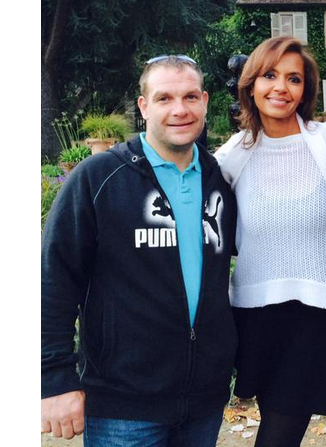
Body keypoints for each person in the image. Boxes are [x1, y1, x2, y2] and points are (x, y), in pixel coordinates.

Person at [41, 55, 238, 447]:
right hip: (123, 405)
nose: (179, 110)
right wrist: (53, 379)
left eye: (189, 97)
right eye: (164, 98)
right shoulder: (98, 179)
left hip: (204, 401)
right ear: (144, 106)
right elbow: (54, 280)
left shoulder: (220, 180)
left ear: (205, 101)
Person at [215, 37, 326, 447]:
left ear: (306, 90)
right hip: (255, 314)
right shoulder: (235, 153)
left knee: (279, 436)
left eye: (294, 79)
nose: (281, 88)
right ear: (251, 84)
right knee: (274, 425)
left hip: (315, 314)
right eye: (270, 75)